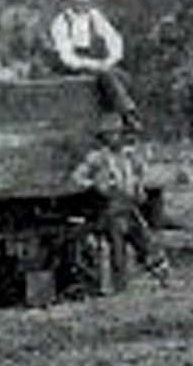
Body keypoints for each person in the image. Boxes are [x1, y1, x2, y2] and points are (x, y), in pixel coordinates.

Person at [71, 113, 169, 286]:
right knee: (118, 249)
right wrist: (94, 184)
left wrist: (139, 185)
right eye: (110, 134)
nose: (115, 138)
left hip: (130, 206)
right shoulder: (97, 158)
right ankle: (119, 284)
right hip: (111, 209)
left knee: (145, 241)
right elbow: (77, 177)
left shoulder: (129, 156)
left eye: (117, 134)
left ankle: (161, 275)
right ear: (104, 138)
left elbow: (141, 173)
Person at [50, 0, 141, 132]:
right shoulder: (61, 22)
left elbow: (114, 39)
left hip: (97, 62)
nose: (82, 3)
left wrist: (110, 60)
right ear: (70, 1)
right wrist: (94, 65)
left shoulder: (95, 16)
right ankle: (128, 113)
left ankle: (115, 122)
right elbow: (66, 55)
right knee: (107, 76)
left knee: (122, 76)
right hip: (73, 65)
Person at [0, 0, 51, 78]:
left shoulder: (36, 14)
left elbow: (42, 40)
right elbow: (3, 44)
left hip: (32, 62)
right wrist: (11, 63)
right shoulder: (10, 14)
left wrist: (48, 48)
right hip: (12, 63)